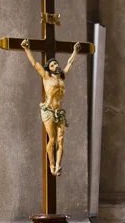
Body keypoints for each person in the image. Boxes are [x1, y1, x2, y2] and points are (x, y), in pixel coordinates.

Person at [20, 39, 81, 176]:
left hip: (60, 112)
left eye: (56, 63)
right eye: (52, 65)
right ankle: (51, 165)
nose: (55, 65)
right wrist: (27, 49)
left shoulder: (61, 78)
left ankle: (58, 165)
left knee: (61, 139)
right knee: (52, 139)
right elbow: (35, 64)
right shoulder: (46, 77)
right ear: (49, 68)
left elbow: (70, 63)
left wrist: (75, 51)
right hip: (49, 111)